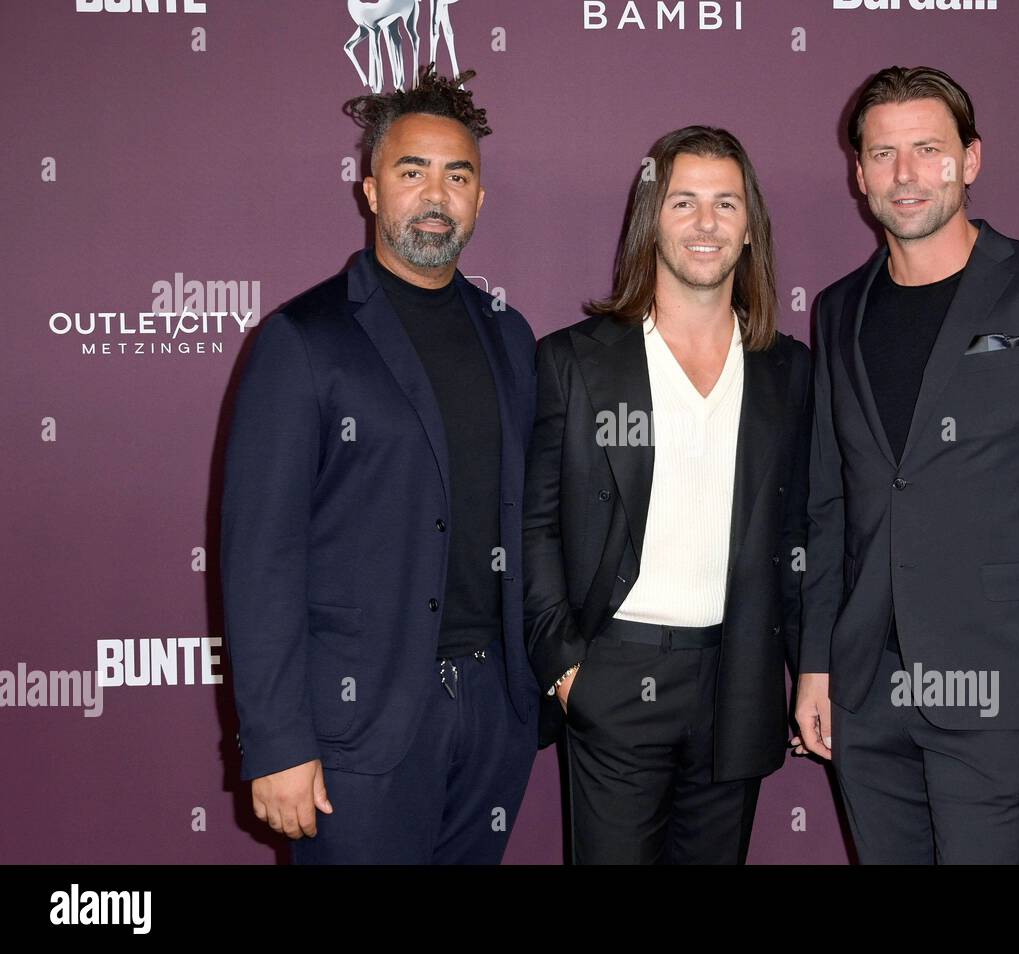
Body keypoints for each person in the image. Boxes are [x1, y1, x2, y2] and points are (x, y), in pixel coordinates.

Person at [793, 66, 1019, 864]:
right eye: (883, 154)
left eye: (927, 150)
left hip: (1000, 695)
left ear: (971, 160)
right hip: (869, 693)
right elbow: (829, 506)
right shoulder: (840, 309)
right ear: (858, 173)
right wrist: (816, 665)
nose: (905, 175)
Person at [220, 67, 538, 864]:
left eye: (457, 175)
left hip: (494, 711)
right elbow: (260, 557)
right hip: (356, 724)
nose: (436, 193)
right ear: (369, 191)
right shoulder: (303, 340)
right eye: (411, 171)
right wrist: (277, 741)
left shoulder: (510, 336)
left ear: (480, 198)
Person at [524, 126, 811, 864]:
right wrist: (566, 668)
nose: (706, 223)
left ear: (752, 231)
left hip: (737, 678)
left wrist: (813, 667)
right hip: (614, 676)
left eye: (726, 203)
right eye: (684, 202)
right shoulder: (572, 363)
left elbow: (811, 531)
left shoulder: (788, 371)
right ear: (652, 220)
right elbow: (535, 525)